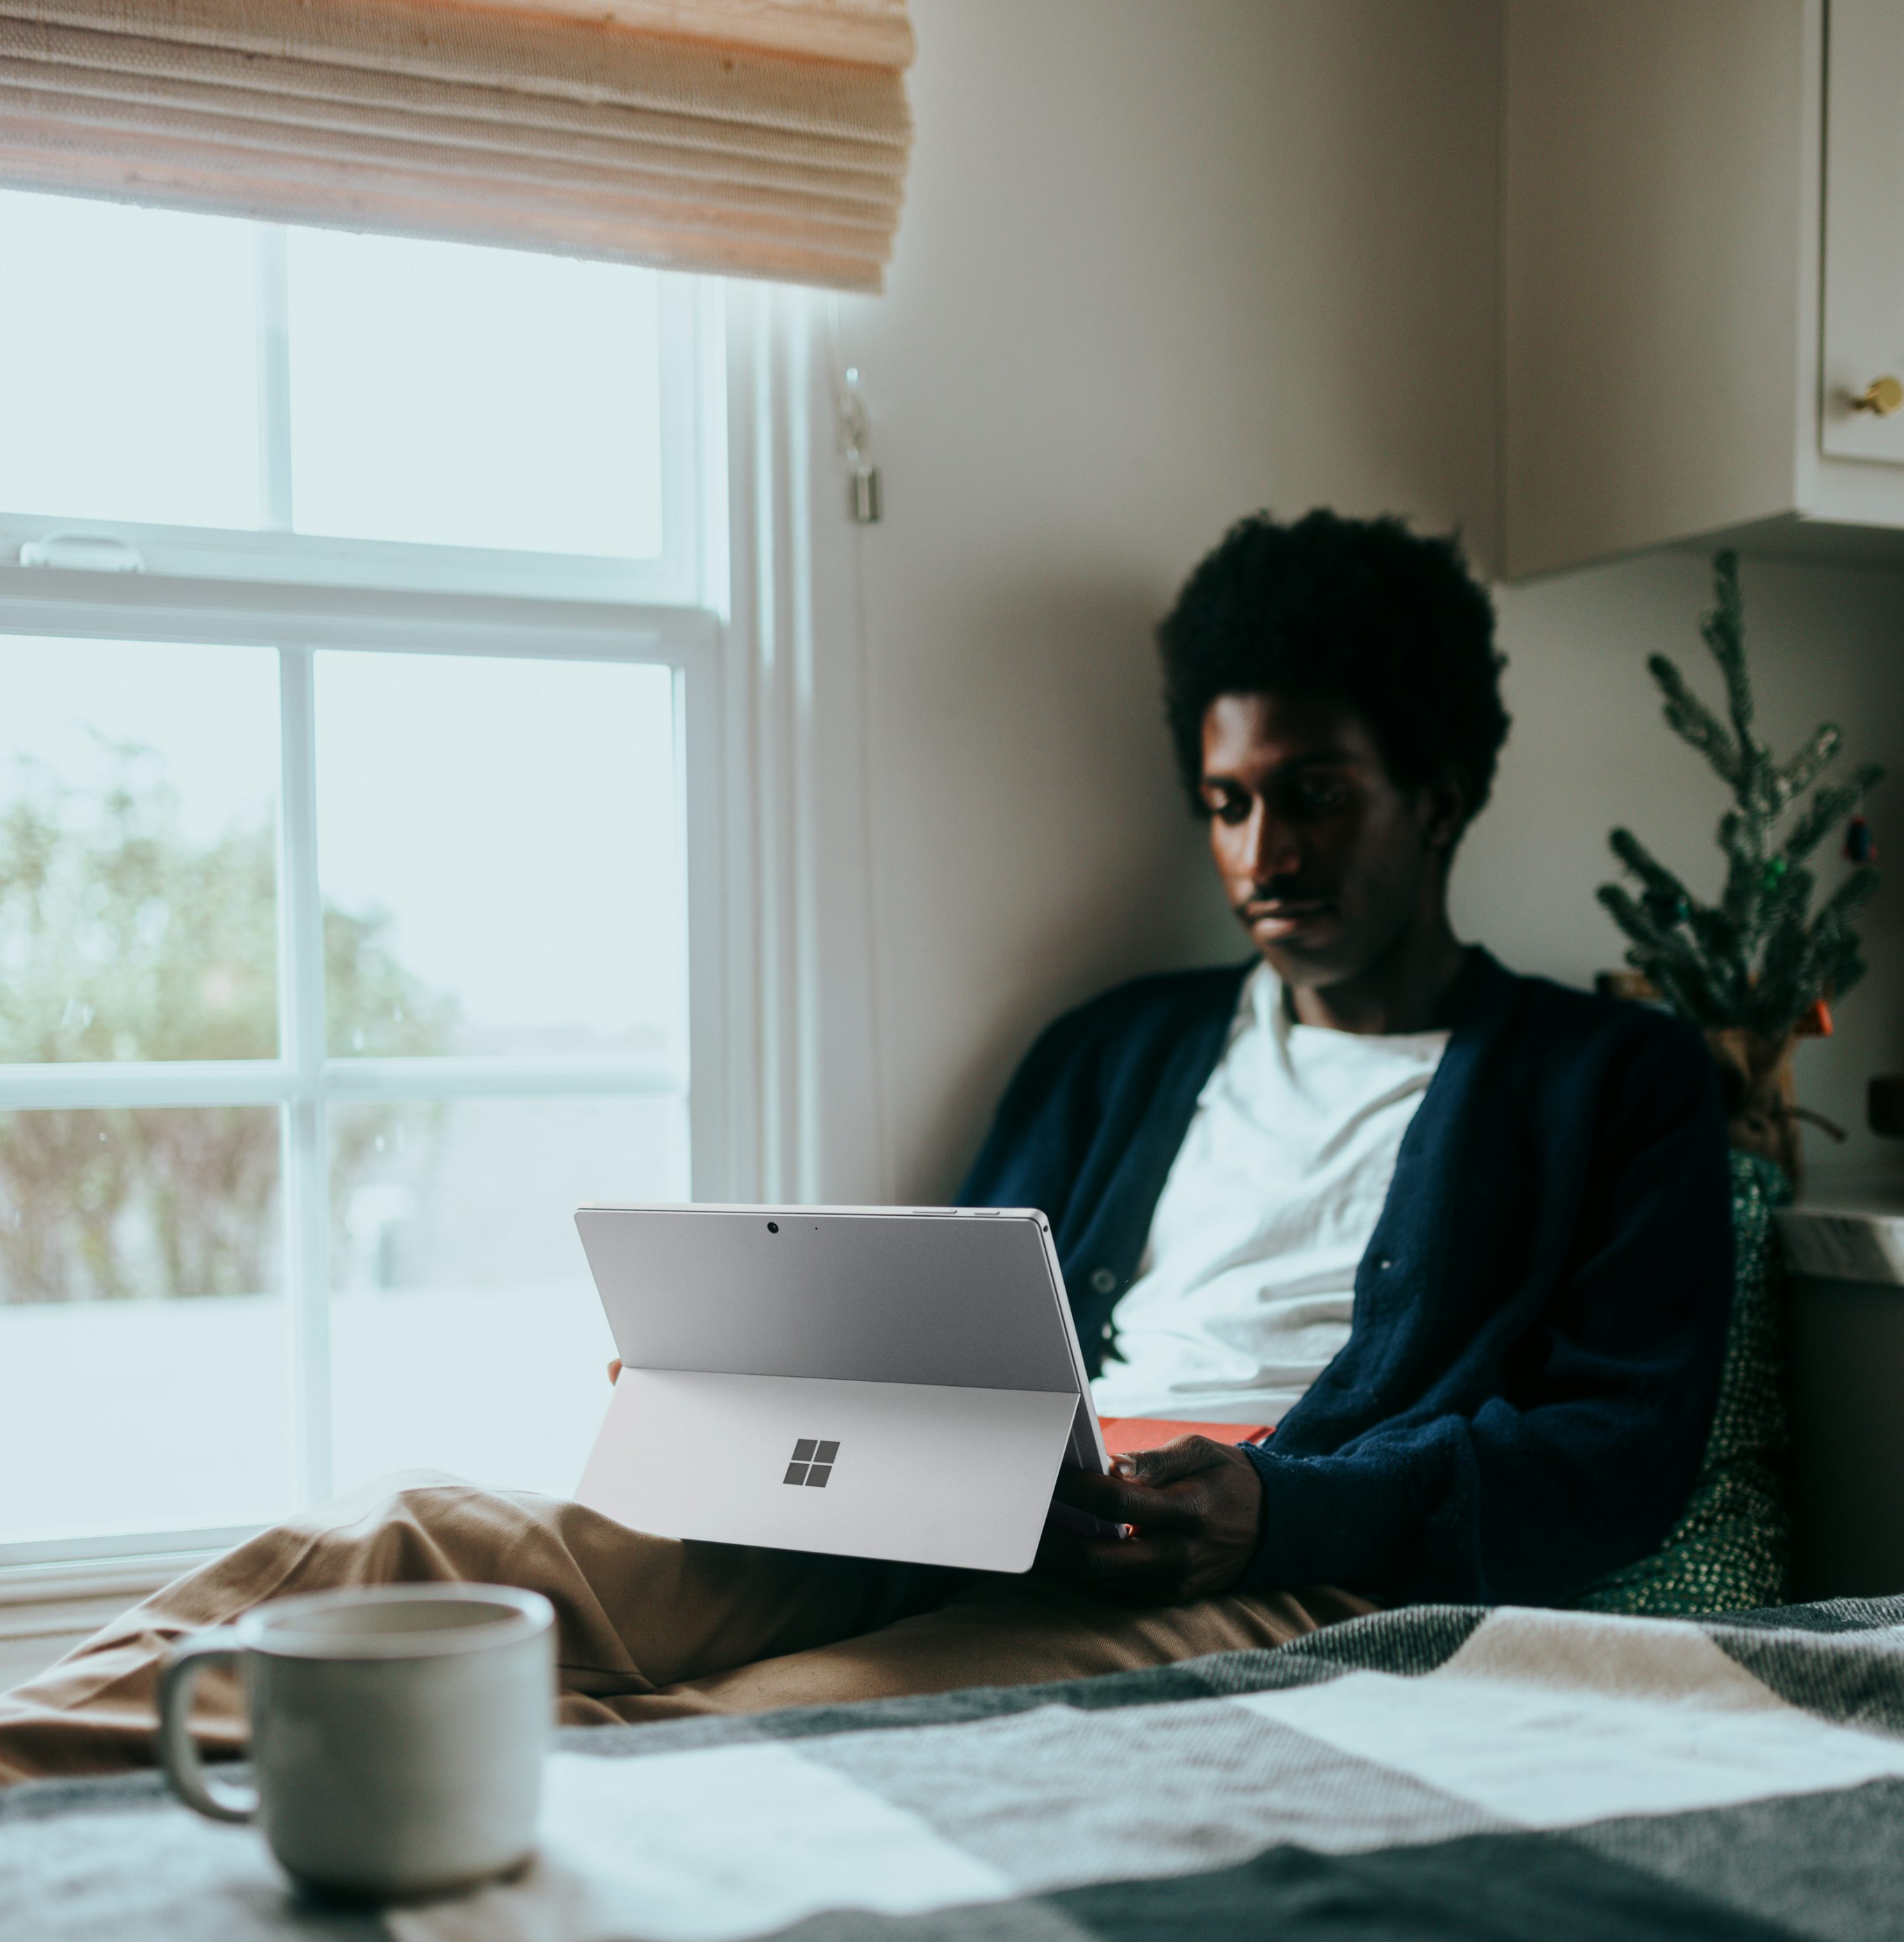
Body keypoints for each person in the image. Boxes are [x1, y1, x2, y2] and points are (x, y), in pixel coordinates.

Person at [0, 510, 1730, 1782]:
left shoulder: (1613, 1080)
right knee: (407, 1544)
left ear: (1439, 784)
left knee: (747, 1736)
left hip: (1258, 1558)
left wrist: (1281, 1507)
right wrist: (764, 1389)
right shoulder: (1116, 1046)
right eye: (1225, 800)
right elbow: (964, 1327)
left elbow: (1612, 1458)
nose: (1263, 846)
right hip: (990, 1501)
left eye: (1316, 789)